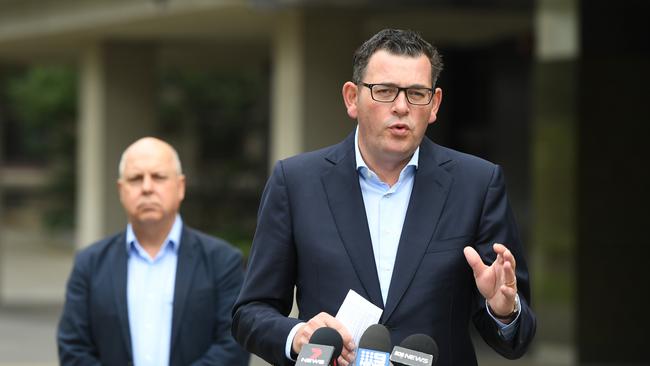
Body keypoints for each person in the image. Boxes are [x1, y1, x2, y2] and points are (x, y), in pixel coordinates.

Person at [232, 29, 536, 366]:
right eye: (385, 91)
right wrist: (299, 334)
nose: (402, 107)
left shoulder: (477, 184)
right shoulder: (296, 182)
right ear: (352, 98)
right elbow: (250, 313)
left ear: (434, 105)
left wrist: (503, 310)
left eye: (416, 93)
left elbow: (517, 339)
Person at [58, 137, 249, 366]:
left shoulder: (222, 261)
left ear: (180, 187)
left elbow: (233, 346)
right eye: (136, 179)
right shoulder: (89, 263)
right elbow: (73, 348)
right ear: (121, 190)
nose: (147, 188)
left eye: (158, 177)